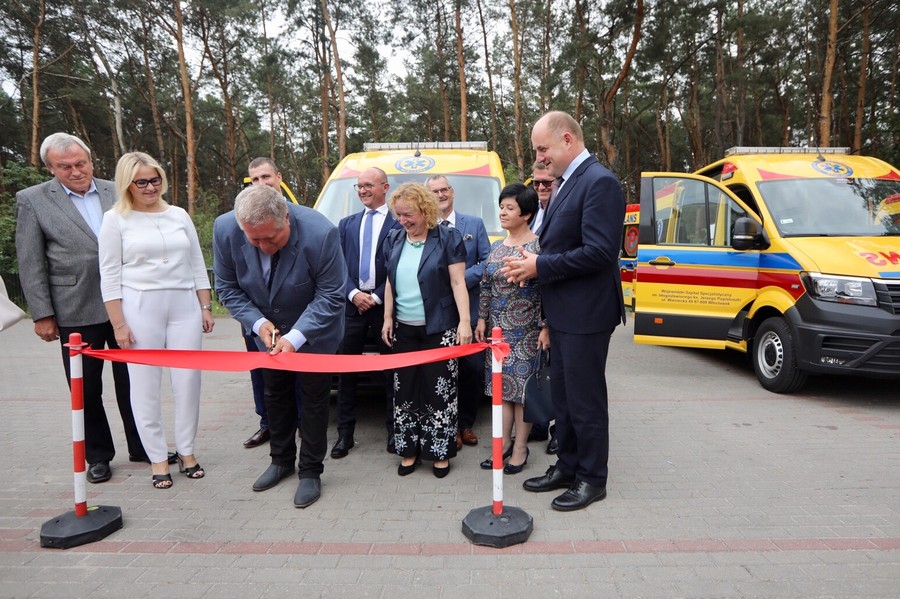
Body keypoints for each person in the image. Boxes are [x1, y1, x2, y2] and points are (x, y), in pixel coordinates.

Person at [502, 111, 626, 512]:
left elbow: (600, 253)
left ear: (568, 140)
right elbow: (561, 244)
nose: (539, 157)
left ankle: (592, 478)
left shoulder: (599, 182)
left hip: (587, 314)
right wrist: (531, 262)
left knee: (585, 399)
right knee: (566, 398)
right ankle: (568, 465)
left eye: (543, 148)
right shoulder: (568, 182)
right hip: (563, 313)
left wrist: (540, 266)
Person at [15, 132, 151, 484]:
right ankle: (99, 456)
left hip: (126, 304)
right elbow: (30, 262)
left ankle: (143, 446)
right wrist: (43, 314)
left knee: (134, 382)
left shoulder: (116, 189)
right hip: (74, 307)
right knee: (86, 388)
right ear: (50, 168)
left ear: (91, 160)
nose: (76, 172)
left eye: (81, 163)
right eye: (65, 167)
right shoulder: (32, 200)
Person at [213, 184, 346, 508]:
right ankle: (281, 460)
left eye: (271, 239)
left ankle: (310, 471)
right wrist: (258, 324)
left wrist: (295, 337)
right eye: (254, 240)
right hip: (266, 334)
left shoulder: (321, 233)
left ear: (286, 217)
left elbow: (331, 295)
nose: (263, 247)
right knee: (274, 395)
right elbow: (227, 287)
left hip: (314, 334)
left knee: (313, 401)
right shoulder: (225, 228)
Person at [98, 152, 214, 489]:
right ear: (127, 184)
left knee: (188, 381)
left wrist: (205, 306)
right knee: (144, 385)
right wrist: (119, 324)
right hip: (139, 305)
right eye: (142, 182)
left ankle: (187, 451)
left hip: (184, 306)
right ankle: (158, 458)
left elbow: (196, 263)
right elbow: (109, 275)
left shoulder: (178, 214)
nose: (150, 187)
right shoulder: (115, 219)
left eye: (155, 179)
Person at [381, 182, 472, 478]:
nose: (402, 221)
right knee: (404, 390)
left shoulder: (448, 237)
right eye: (398, 215)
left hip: (440, 328)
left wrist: (465, 322)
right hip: (404, 330)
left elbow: (458, 282)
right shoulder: (394, 238)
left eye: (408, 215)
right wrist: (387, 317)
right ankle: (408, 450)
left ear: (425, 210)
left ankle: (440, 453)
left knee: (439, 393)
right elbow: (390, 281)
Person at [475, 183, 548, 475]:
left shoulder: (538, 248)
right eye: (501, 207)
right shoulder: (496, 247)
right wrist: (482, 319)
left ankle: (520, 447)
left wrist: (546, 326)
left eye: (510, 208)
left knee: (522, 393)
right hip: (497, 332)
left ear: (526, 214)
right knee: (501, 390)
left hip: (527, 332)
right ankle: (503, 443)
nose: (502, 212)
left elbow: (549, 292)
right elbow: (485, 286)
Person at [331, 167, 401, 459]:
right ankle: (344, 436)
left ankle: (394, 433)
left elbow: (400, 266)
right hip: (352, 307)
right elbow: (336, 265)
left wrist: (375, 296)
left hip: (385, 308)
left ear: (385, 187)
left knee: (391, 374)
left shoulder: (399, 223)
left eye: (368, 185)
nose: (362, 190)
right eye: (359, 186)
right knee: (346, 376)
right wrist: (353, 294)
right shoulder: (346, 224)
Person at [241, 157, 304, 449]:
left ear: (278, 177)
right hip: (257, 318)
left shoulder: (302, 220)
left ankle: (301, 423)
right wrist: (256, 321)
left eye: (265, 177)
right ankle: (267, 424)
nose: (261, 183)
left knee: (299, 377)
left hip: (297, 317)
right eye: (254, 179)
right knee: (261, 375)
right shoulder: (238, 223)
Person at [425, 174, 490, 451]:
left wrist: (461, 280)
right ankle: (448, 426)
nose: (440, 195)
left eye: (444, 189)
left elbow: (487, 260)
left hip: (470, 311)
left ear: (452, 192)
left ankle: (465, 423)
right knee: (441, 372)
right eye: (434, 191)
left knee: (471, 369)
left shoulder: (473, 224)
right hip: (436, 313)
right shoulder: (424, 228)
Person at [527, 160, 557, 454]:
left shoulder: (563, 212)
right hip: (533, 305)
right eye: (535, 183)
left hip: (557, 304)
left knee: (559, 370)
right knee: (539, 366)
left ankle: (561, 430)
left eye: (546, 183)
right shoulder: (534, 212)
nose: (540, 188)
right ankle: (538, 423)